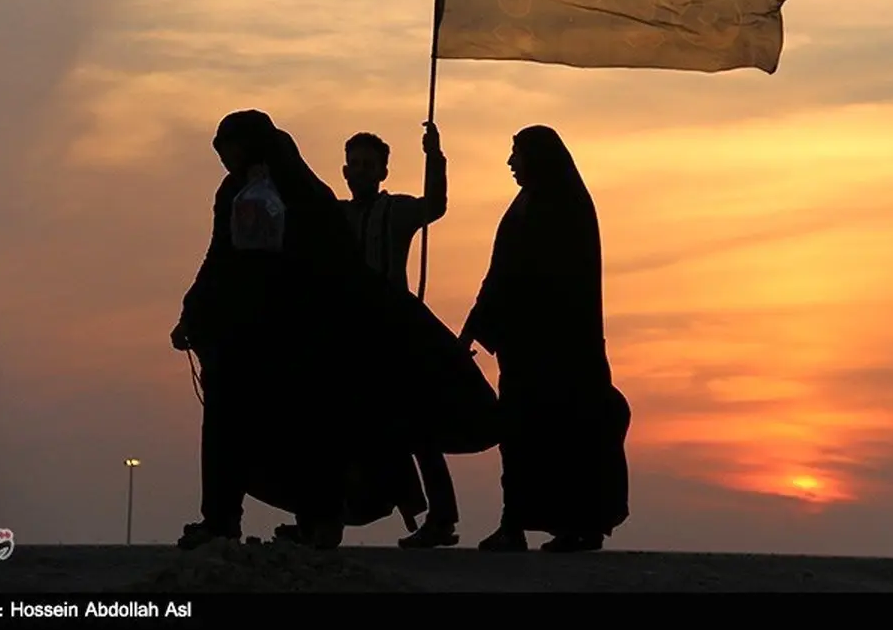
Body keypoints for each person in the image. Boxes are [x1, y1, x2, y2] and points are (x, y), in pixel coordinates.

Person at [170, 110, 426, 551]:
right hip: (244, 336)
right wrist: (192, 312)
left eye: (231, 150)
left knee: (309, 433)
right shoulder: (233, 192)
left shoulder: (304, 195)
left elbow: (336, 265)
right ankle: (220, 519)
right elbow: (220, 257)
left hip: (304, 338)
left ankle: (319, 520)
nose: (225, 160)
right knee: (228, 424)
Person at [460, 125, 631, 553]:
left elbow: (542, 276)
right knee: (522, 437)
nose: (510, 162)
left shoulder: (563, 206)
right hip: (526, 350)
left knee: (568, 436)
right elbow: (501, 271)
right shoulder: (528, 204)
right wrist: (477, 324)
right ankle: (517, 523)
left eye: (516, 152)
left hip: (559, 353)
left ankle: (575, 525)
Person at [338, 122, 461, 549]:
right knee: (351, 426)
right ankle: (337, 512)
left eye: (368, 165)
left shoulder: (397, 211)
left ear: (382, 172)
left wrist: (434, 156)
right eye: (354, 164)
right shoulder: (337, 216)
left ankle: (440, 517)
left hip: (394, 334)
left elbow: (435, 206)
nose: (360, 172)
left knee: (417, 426)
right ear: (345, 171)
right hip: (352, 337)